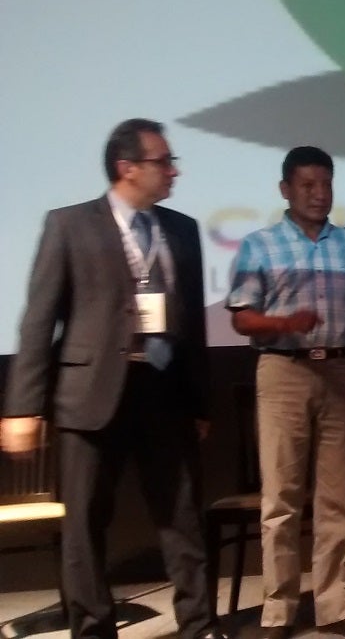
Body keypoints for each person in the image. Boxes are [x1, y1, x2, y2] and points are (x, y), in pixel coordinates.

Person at [0, 118, 224, 639]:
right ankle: (94, 629)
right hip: (91, 395)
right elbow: (39, 318)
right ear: (127, 168)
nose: (174, 172)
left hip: (164, 392)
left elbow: (192, 323)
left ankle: (199, 626)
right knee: (85, 524)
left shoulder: (182, 229)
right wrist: (22, 406)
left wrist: (200, 403)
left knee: (182, 519)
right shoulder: (69, 224)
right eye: (164, 162)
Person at [226, 146, 345, 639]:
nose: (319, 194)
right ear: (285, 189)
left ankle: (336, 606)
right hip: (283, 370)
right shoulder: (259, 245)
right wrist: (283, 323)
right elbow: (241, 317)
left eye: (326, 184)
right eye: (308, 184)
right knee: (282, 498)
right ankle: (279, 610)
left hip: (340, 369)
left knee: (338, 499)